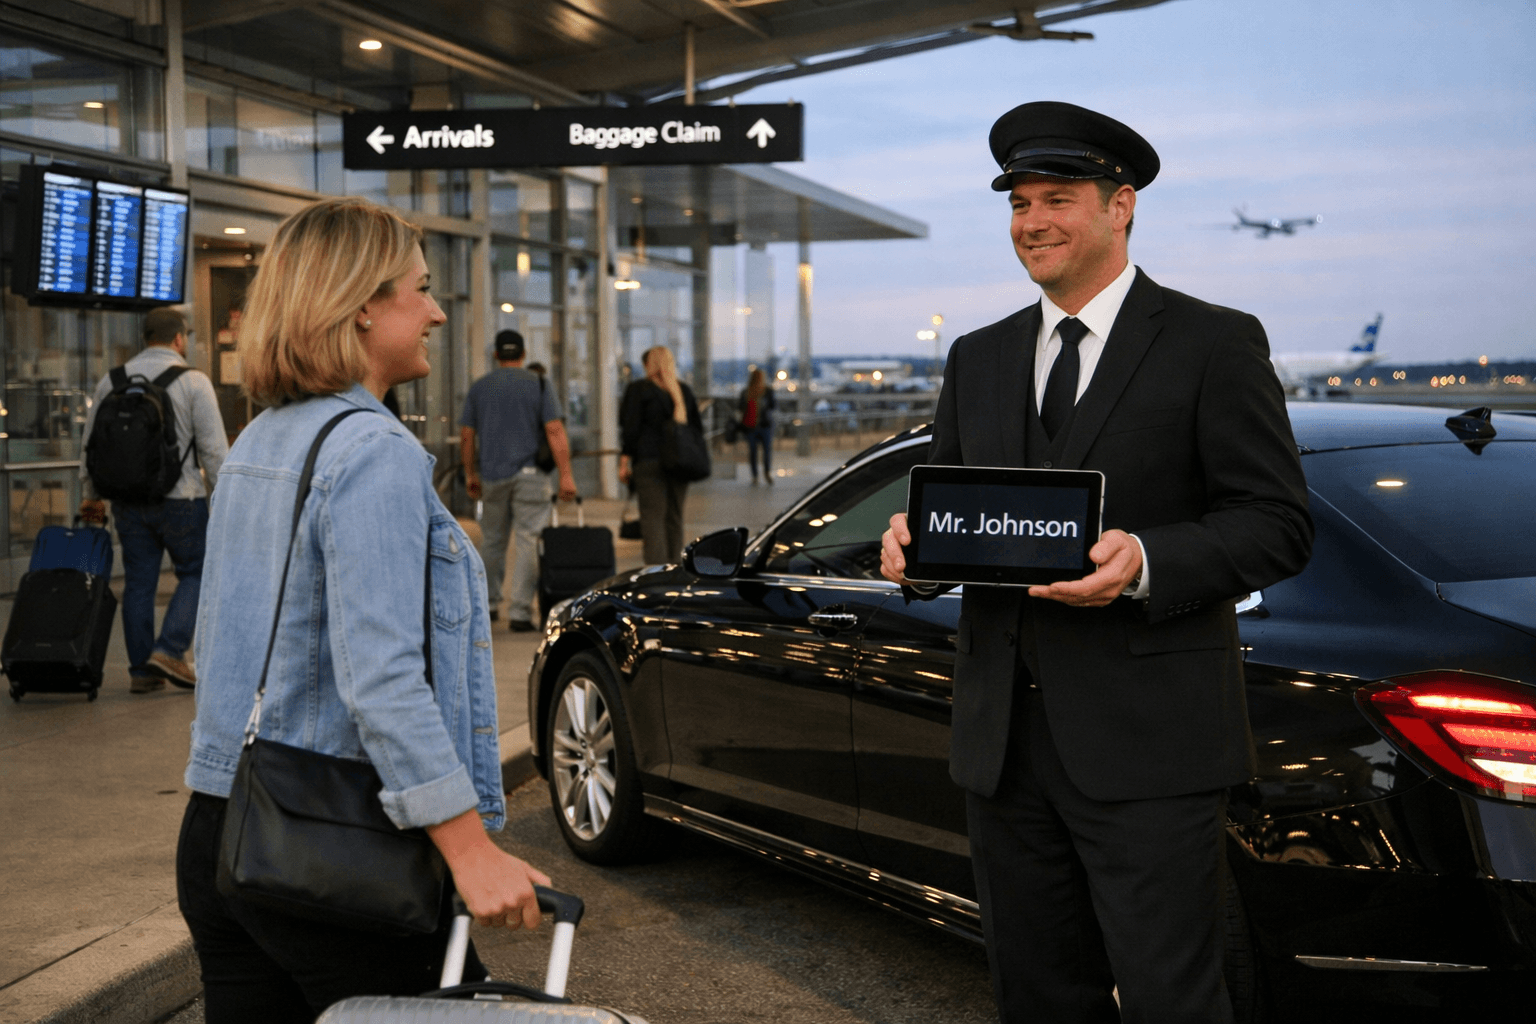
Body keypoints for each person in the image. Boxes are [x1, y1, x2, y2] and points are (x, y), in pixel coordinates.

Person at [880, 102, 1313, 1023]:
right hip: (1003, 751)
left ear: (1122, 207)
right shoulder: (980, 356)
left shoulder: (1212, 343)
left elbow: (1277, 523)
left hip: (1150, 748)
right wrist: (912, 556)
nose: (1031, 222)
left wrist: (1148, 560)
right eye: (1019, 203)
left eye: (1057, 199)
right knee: (1036, 996)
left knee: (1171, 999)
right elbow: (955, 518)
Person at [177, 197, 550, 1023]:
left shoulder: (258, 443)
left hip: (221, 826)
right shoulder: (373, 451)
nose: (436, 311)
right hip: (333, 843)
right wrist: (468, 849)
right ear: (360, 308)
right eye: (418, 289)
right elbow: (380, 678)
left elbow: (221, 646)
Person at [78, 307, 229, 694]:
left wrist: (91, 502)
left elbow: (90, 451)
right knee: (198, 571)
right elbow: (214, 453)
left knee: (139, 583)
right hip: (182, 499)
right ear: (179, 339)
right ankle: (169, 649)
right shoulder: (194, 381)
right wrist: (226, 502)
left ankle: (142, 671)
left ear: (145, 338)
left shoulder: (109, 383)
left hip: (127, 503)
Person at [459, 330, 577, 631]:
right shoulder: (538, 383)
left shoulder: (480, 387)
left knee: (492, 541)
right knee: (528, 541)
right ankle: (521, 613)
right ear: (523, 355)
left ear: (497, 355)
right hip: (531, 476)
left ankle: (487, 605)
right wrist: (566, 475)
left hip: (492, 476)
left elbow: (467, 435)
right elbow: (554, 431)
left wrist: (470, 472)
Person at [618, 345, 702, 564]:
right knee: (675, 518)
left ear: (649, 364)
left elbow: (631, 429)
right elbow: (696, 429)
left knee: (652, 520)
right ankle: (675, 570)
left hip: (649, 462)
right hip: (680, 463)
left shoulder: (639, 389)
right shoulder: (683, 391)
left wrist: (624, 462)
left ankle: (656, 574)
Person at [737, 367, 776, 485]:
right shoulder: (746, 392)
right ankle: (755, 475)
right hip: (751, 426)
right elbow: (740, 407)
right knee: (753, 451)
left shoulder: (768, 391)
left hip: (765, 425)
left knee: (767, 451)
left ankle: (767, 472)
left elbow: (773, 406)